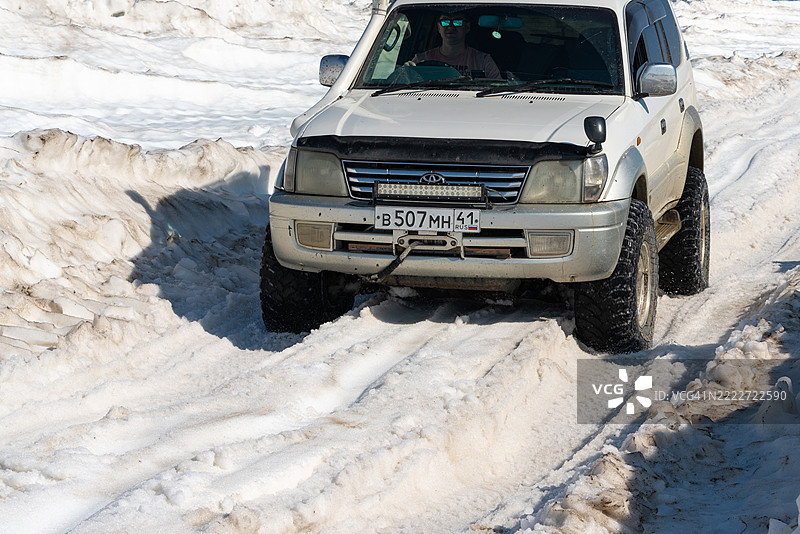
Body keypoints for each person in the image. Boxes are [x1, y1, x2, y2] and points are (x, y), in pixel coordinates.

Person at [407, 14, 501, 79]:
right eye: (445, 22)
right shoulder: (421, 60)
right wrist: (406, 74)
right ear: (439, 27)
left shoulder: (483, 61)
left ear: (467, 27)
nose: (450, 27)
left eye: (457, 22)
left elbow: (497, 92)